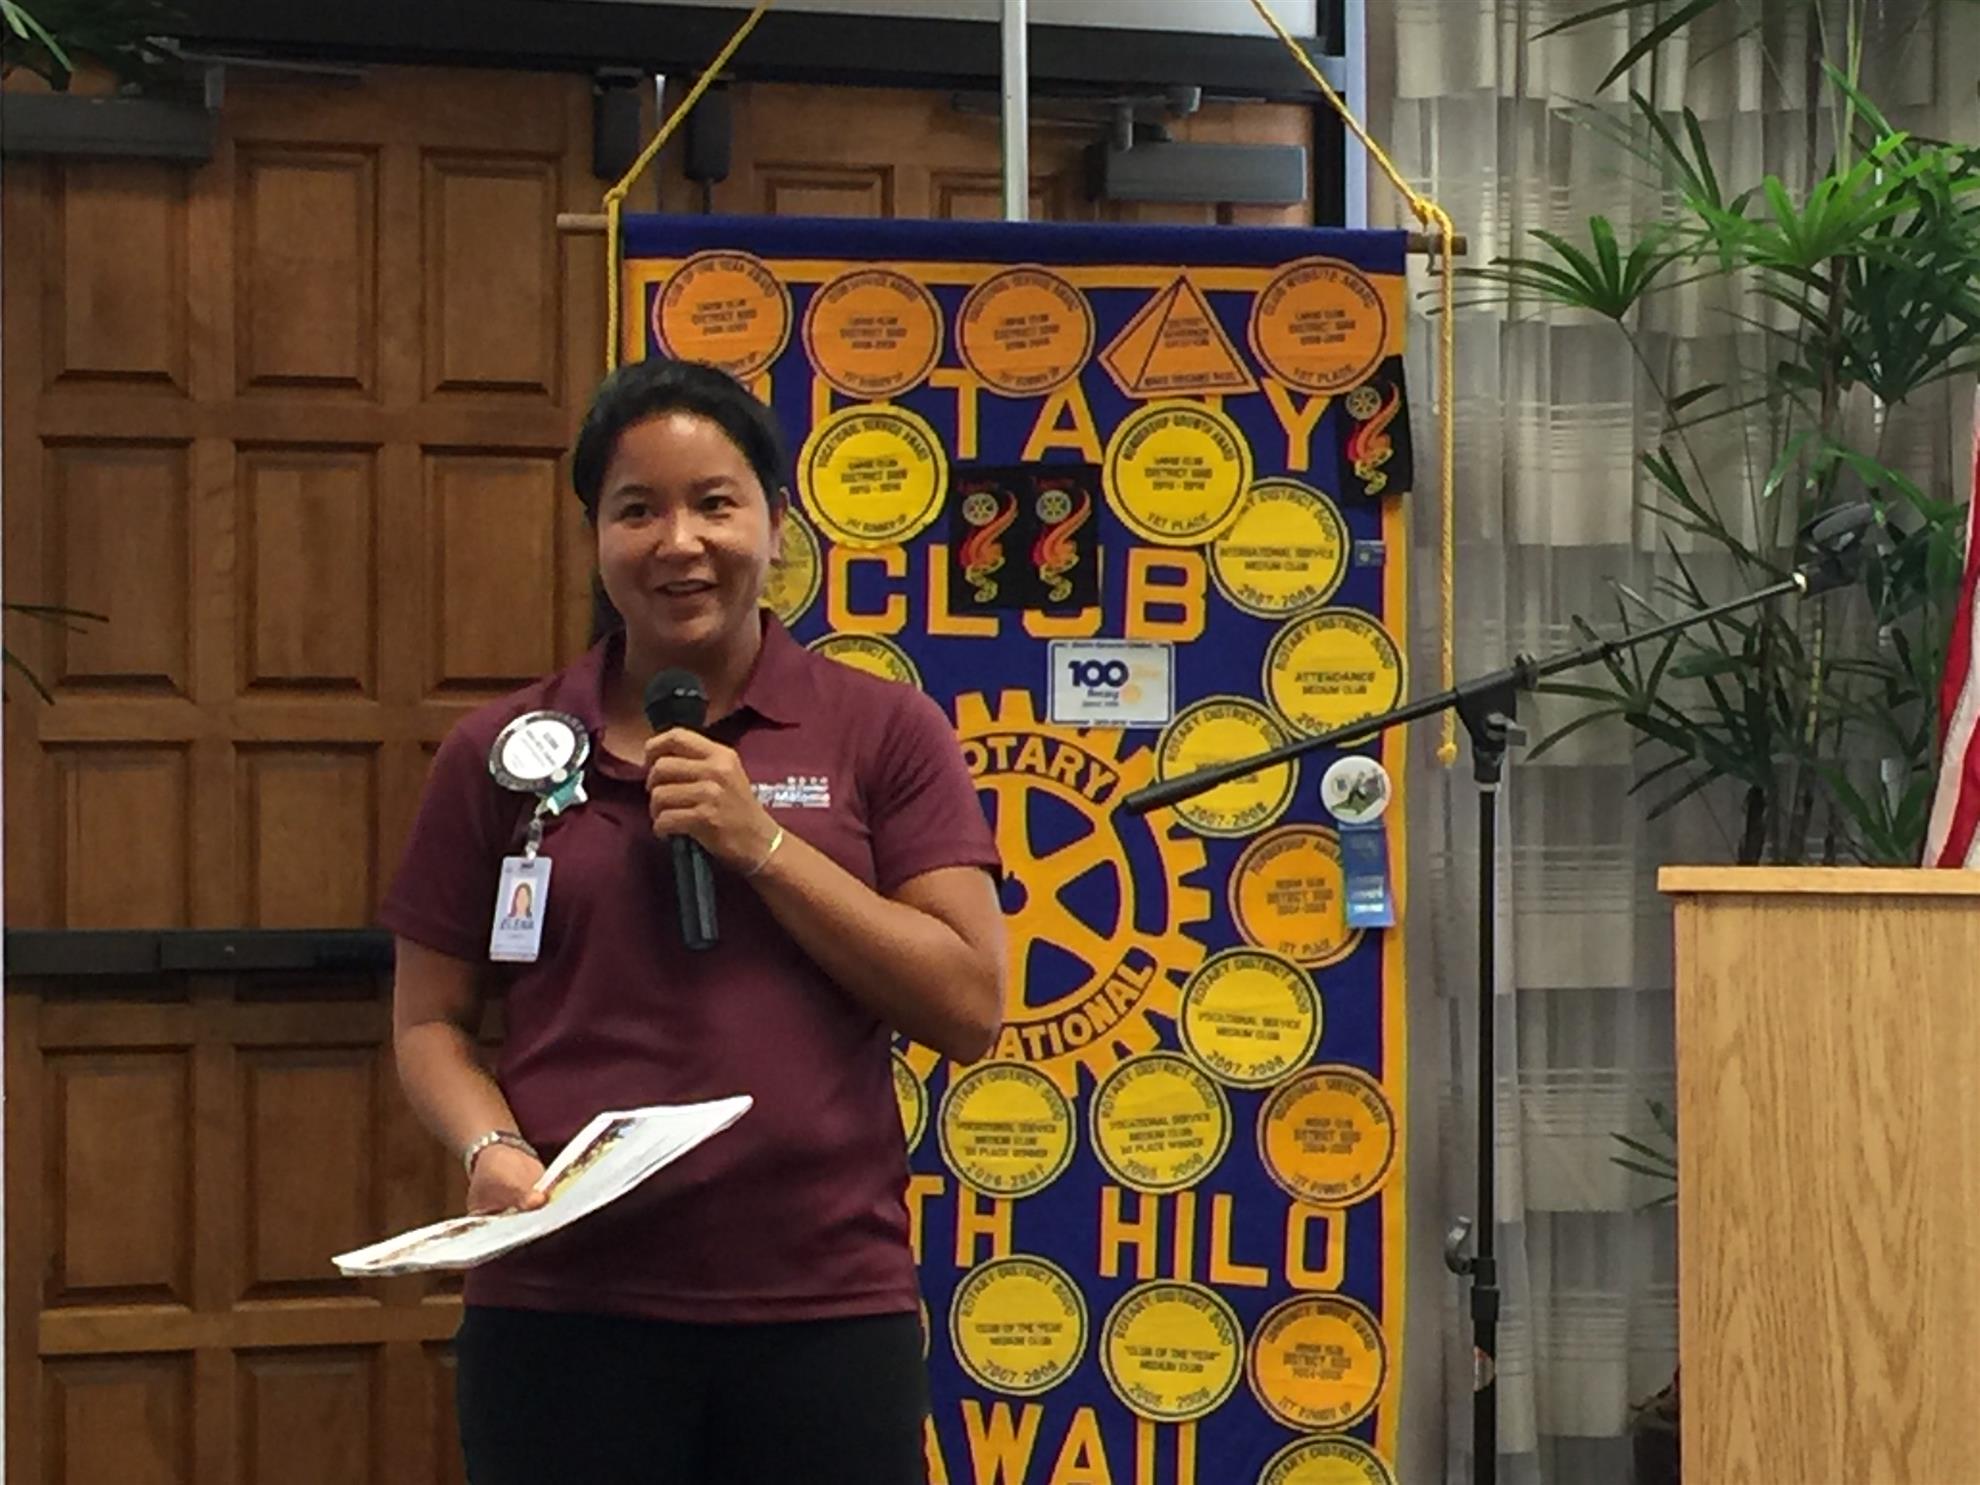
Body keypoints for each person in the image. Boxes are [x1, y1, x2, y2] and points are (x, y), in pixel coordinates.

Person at [381, 358, 1006, 1485]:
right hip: (563, 1311)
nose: (680, 542)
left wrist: (760, 842)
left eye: (715, 503)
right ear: (594, 537)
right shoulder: (498, 752)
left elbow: (967, 1005)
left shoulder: (884, 731)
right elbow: (430, 1021)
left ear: (777, 523)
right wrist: (490, 1147)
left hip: (822, 1307)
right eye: (638, 510)